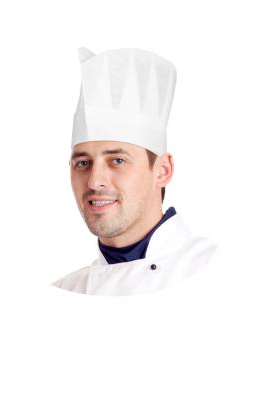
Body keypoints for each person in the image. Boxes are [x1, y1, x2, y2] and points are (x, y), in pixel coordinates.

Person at [52, 46, 217, 296]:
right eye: (83, 163)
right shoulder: (66, 290)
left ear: (162, 171)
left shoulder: (213, 268)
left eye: (117, 160)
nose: (95, 181)